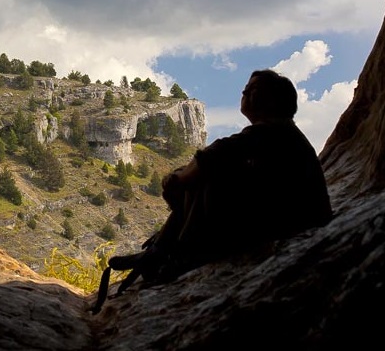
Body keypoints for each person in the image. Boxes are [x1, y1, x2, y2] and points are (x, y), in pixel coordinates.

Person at [91, 69, 332, 313]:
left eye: (254, 90)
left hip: (286, 228)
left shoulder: (272, 133)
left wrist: (176, 180)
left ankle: (173, 253)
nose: (244, 93)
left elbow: (215, 155)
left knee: (210, 175)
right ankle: (161, 250)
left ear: (274, 101)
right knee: (207, 173)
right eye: (246, 89)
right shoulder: (284, 134)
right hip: (288, 223)